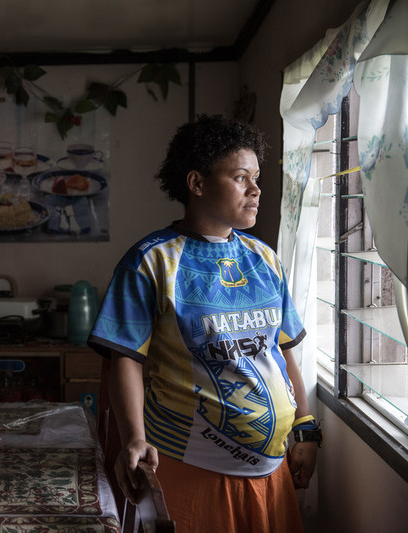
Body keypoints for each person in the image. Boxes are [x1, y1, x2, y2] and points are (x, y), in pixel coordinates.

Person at [88, 114, 320, 532]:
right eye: (241, 177)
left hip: (271, 473)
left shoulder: (264, 259)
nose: (256, 189)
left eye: (257, 177)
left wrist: (305, 429)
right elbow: (127, 359)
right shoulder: (151, 261)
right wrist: (133, 439)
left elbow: (281, 350)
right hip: (192, 471)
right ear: (197, 184)